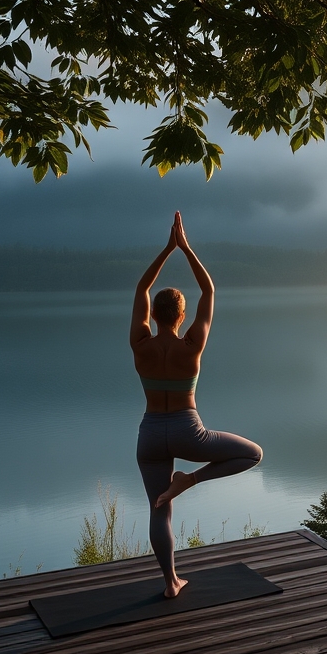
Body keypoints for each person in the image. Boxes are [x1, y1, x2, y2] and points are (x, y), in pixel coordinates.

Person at [131, 212, 263, 597]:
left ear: (153, 315)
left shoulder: (141, 344)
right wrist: (186, 249)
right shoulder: (192, 345)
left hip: (151, 434)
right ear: (182, 316)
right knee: (252, 454)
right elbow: (209, 292)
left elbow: (141, 289)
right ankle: (188, 480)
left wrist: (166, 250)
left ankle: (171, 582)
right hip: (190, 432)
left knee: (159, 510)